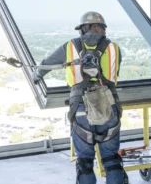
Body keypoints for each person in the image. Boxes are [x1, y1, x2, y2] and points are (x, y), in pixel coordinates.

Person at [35, 11, 125, 184]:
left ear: (84, 29)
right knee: (111, 160)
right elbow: (115, 72)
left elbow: (47, 64)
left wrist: (35, 74)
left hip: (81, 106)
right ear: (103, 29)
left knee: (85, 161)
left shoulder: (70, 46)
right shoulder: (114, 48)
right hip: (109, 105)